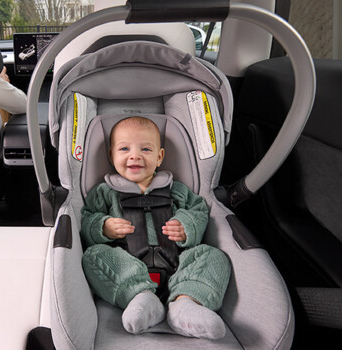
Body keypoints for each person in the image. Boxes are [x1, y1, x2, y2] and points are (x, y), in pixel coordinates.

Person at [81, 116, 232, 339]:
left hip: (178, 264)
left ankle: (186, 305)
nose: (135, 155)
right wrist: (102, 227)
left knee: (214, 256)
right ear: (112, 156)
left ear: (159, 157)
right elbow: (86, 220)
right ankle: (141, 298)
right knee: (94, 256)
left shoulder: (176, 190)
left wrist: (186, 225)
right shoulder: (105, 192)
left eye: (145, 149)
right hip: (127, 265)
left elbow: (198, 211)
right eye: (124, 149)